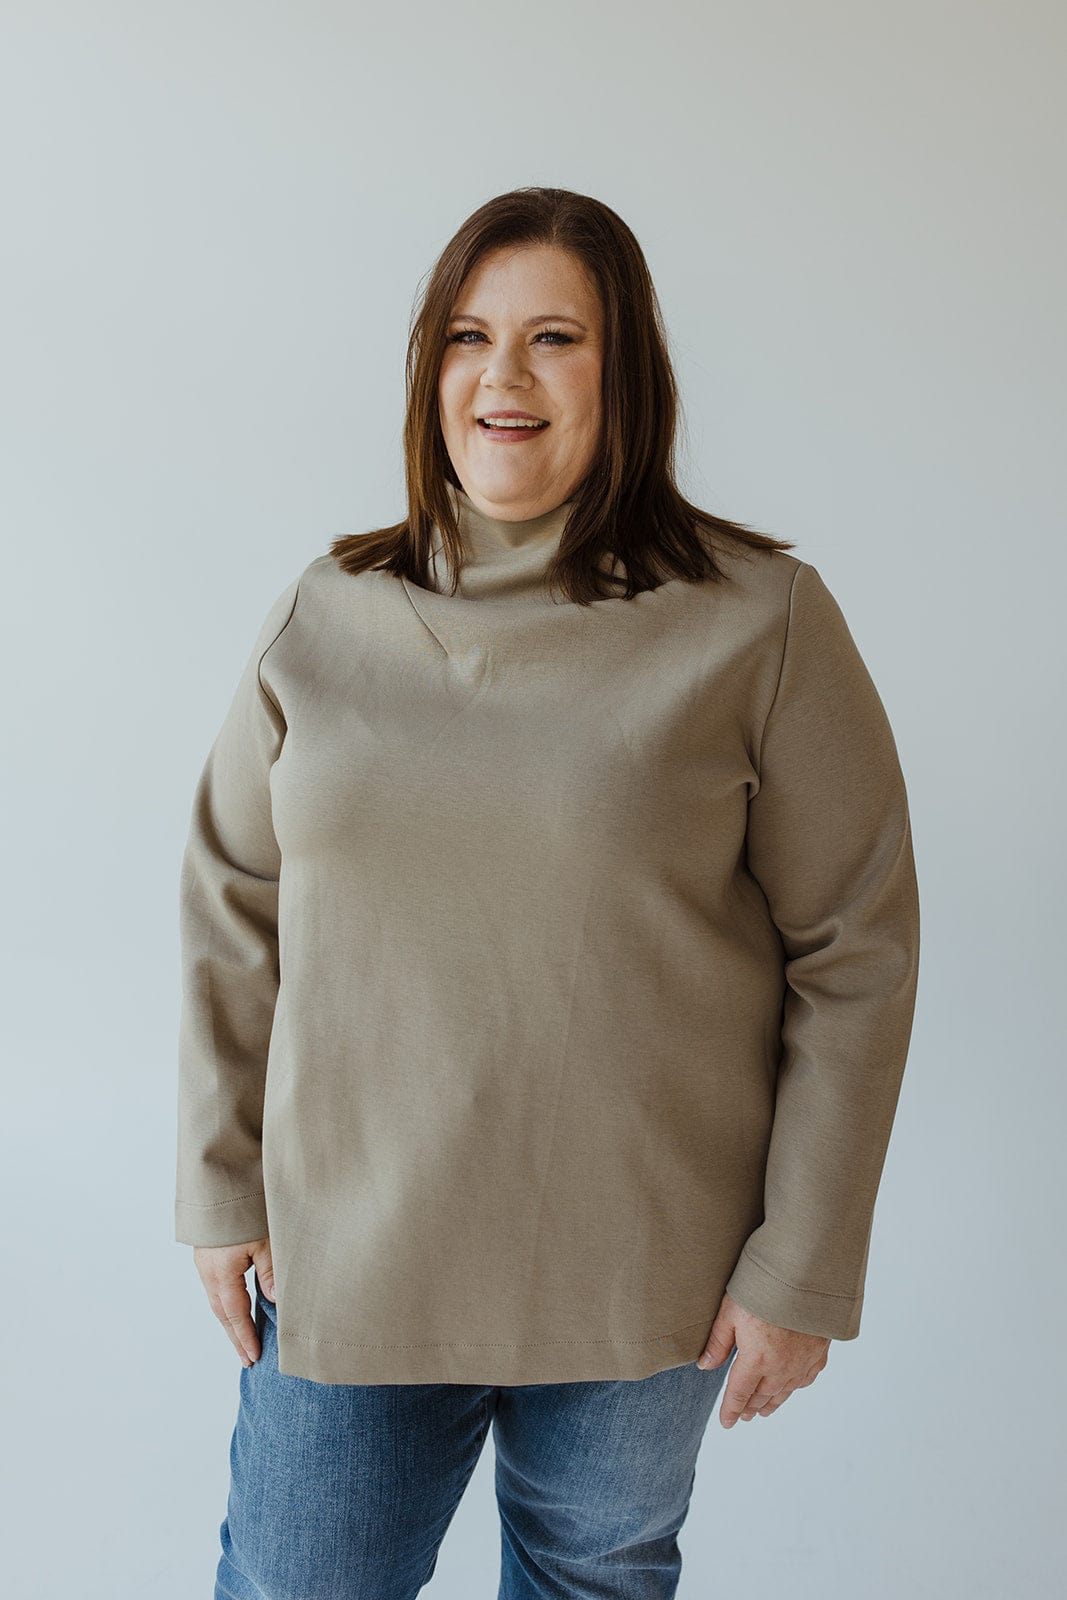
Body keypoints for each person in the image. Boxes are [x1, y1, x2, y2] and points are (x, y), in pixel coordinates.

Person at [175, 186, 920, 1599]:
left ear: (624, 369)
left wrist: (802, 1267)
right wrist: (218, 1187)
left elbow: (857, 950)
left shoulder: (759, 622)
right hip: (354, 1248)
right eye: (467, 336)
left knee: (597, 1577)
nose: (502, 377)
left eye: (554, 338)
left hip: (651, 1269)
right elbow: (231, 904)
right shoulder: (325, 613)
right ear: (429, 371)